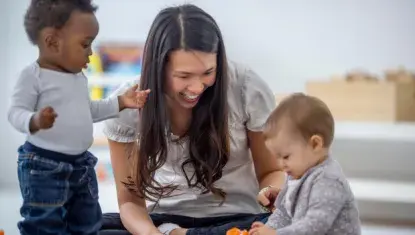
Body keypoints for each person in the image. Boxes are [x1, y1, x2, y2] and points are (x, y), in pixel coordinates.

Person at [99, 4, 285, 235]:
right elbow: (129, 203)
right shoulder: (126, 106)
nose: (197, 87)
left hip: (238, 220)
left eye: (208, 72)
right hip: (165, 222)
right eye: (183, 76)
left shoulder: (246, 87)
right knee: (92, 228)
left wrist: (272, 190)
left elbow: (271, 171)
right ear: (157, 68)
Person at [7, 0, 148, 234]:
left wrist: (122, 102)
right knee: (44, 223)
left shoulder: (77, 78)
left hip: (81, 165)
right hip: (44, 167)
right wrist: (34, 121)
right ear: (52, 42)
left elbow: (89, 110)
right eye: (85, 44)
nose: (91, 53)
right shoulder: (33, 76)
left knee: (88, 221)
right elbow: (15, 112)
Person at [249, 93, 361, 235]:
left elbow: (314, 227)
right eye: (277, 157)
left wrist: (276, 234)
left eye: (285, 156)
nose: (280, 164)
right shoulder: (297, 173)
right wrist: (269, 228)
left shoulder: (328, 180)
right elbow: (283, 212)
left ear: (315, 144)